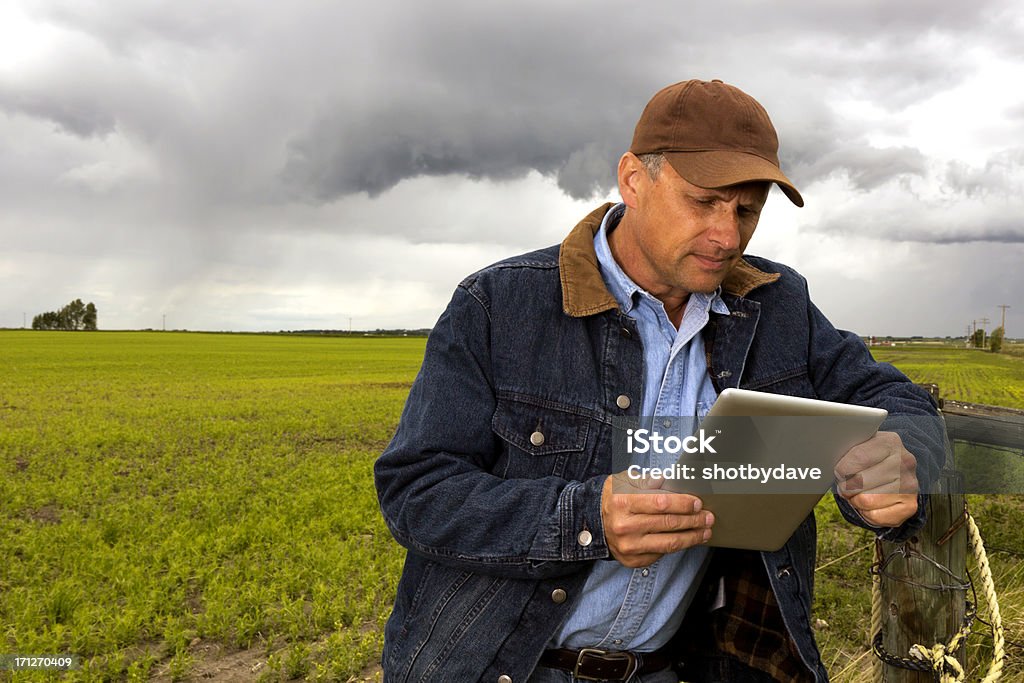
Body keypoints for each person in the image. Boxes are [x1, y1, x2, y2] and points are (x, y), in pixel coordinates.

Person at [374, 79, 942, 682]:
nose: (728, 236)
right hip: (498, 666)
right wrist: (587, 516)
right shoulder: (498, 304)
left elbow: (896, 400)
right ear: (633, 180)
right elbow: (417, 491)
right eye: (703, 201)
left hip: (680, 666)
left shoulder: (779, 307)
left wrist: (897, 458)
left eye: (747, 210)